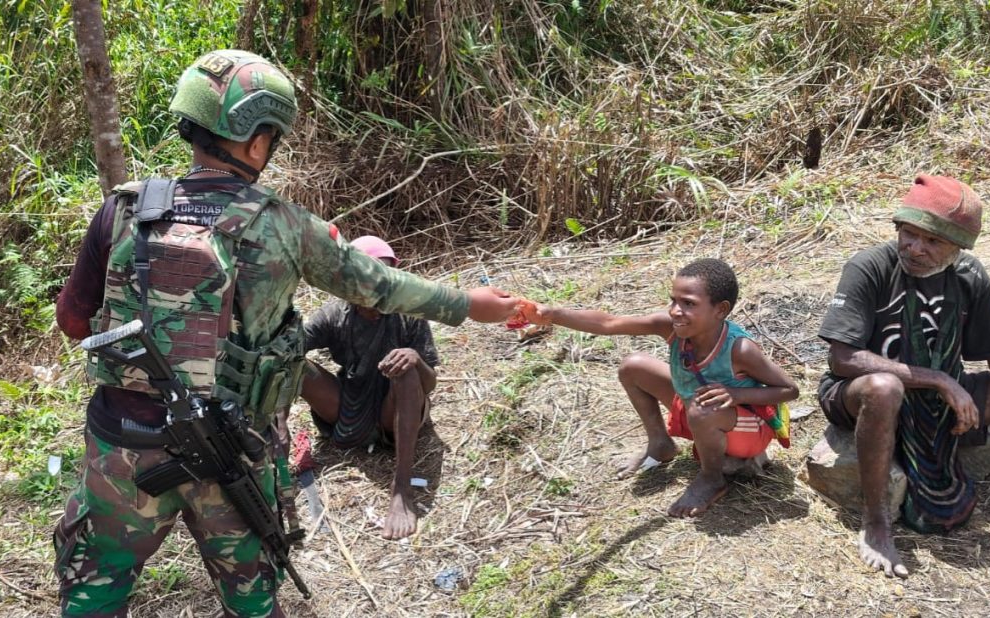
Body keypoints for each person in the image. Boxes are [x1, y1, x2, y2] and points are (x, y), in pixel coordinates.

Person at [52, 49, 520, 618]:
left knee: (94, 591)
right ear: (255, 142)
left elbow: (75, 322)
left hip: (122, 447)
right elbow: (378, 286)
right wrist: (468, 303)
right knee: (252, 601)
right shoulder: (286, 226)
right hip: (233, 454)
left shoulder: (122, 209)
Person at [816, 174, 990, 579]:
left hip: (944, 398)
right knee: (884, 386)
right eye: (909, 235)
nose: (916, 248)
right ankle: (876, 522)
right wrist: (939, 379)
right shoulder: (870, 267)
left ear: (958, 248)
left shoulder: (968, 277)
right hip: (862, 394)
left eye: (933, 241)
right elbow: (842, 358)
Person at [521, 258, 799, 517]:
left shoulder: (740, 349)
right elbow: (609, 323)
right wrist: (552, 314)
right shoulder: (672, 328)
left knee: (704, 409)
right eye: (673, 301)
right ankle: (660, 444)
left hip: (745, 430)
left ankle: (712, 478)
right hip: (699, 412)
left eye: (689, 304)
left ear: (720, 310)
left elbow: (789, 390)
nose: (676, 311)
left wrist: (736, 394)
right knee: (634, 366)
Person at [296, 235, 440, 540]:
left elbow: (429, 385)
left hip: (397, 410)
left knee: (407, 369)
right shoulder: (334, 314)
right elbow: (289, 349)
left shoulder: (408, 311)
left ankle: (401, 489)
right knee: (292, 364)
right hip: (350, 404)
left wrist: (414, 360)